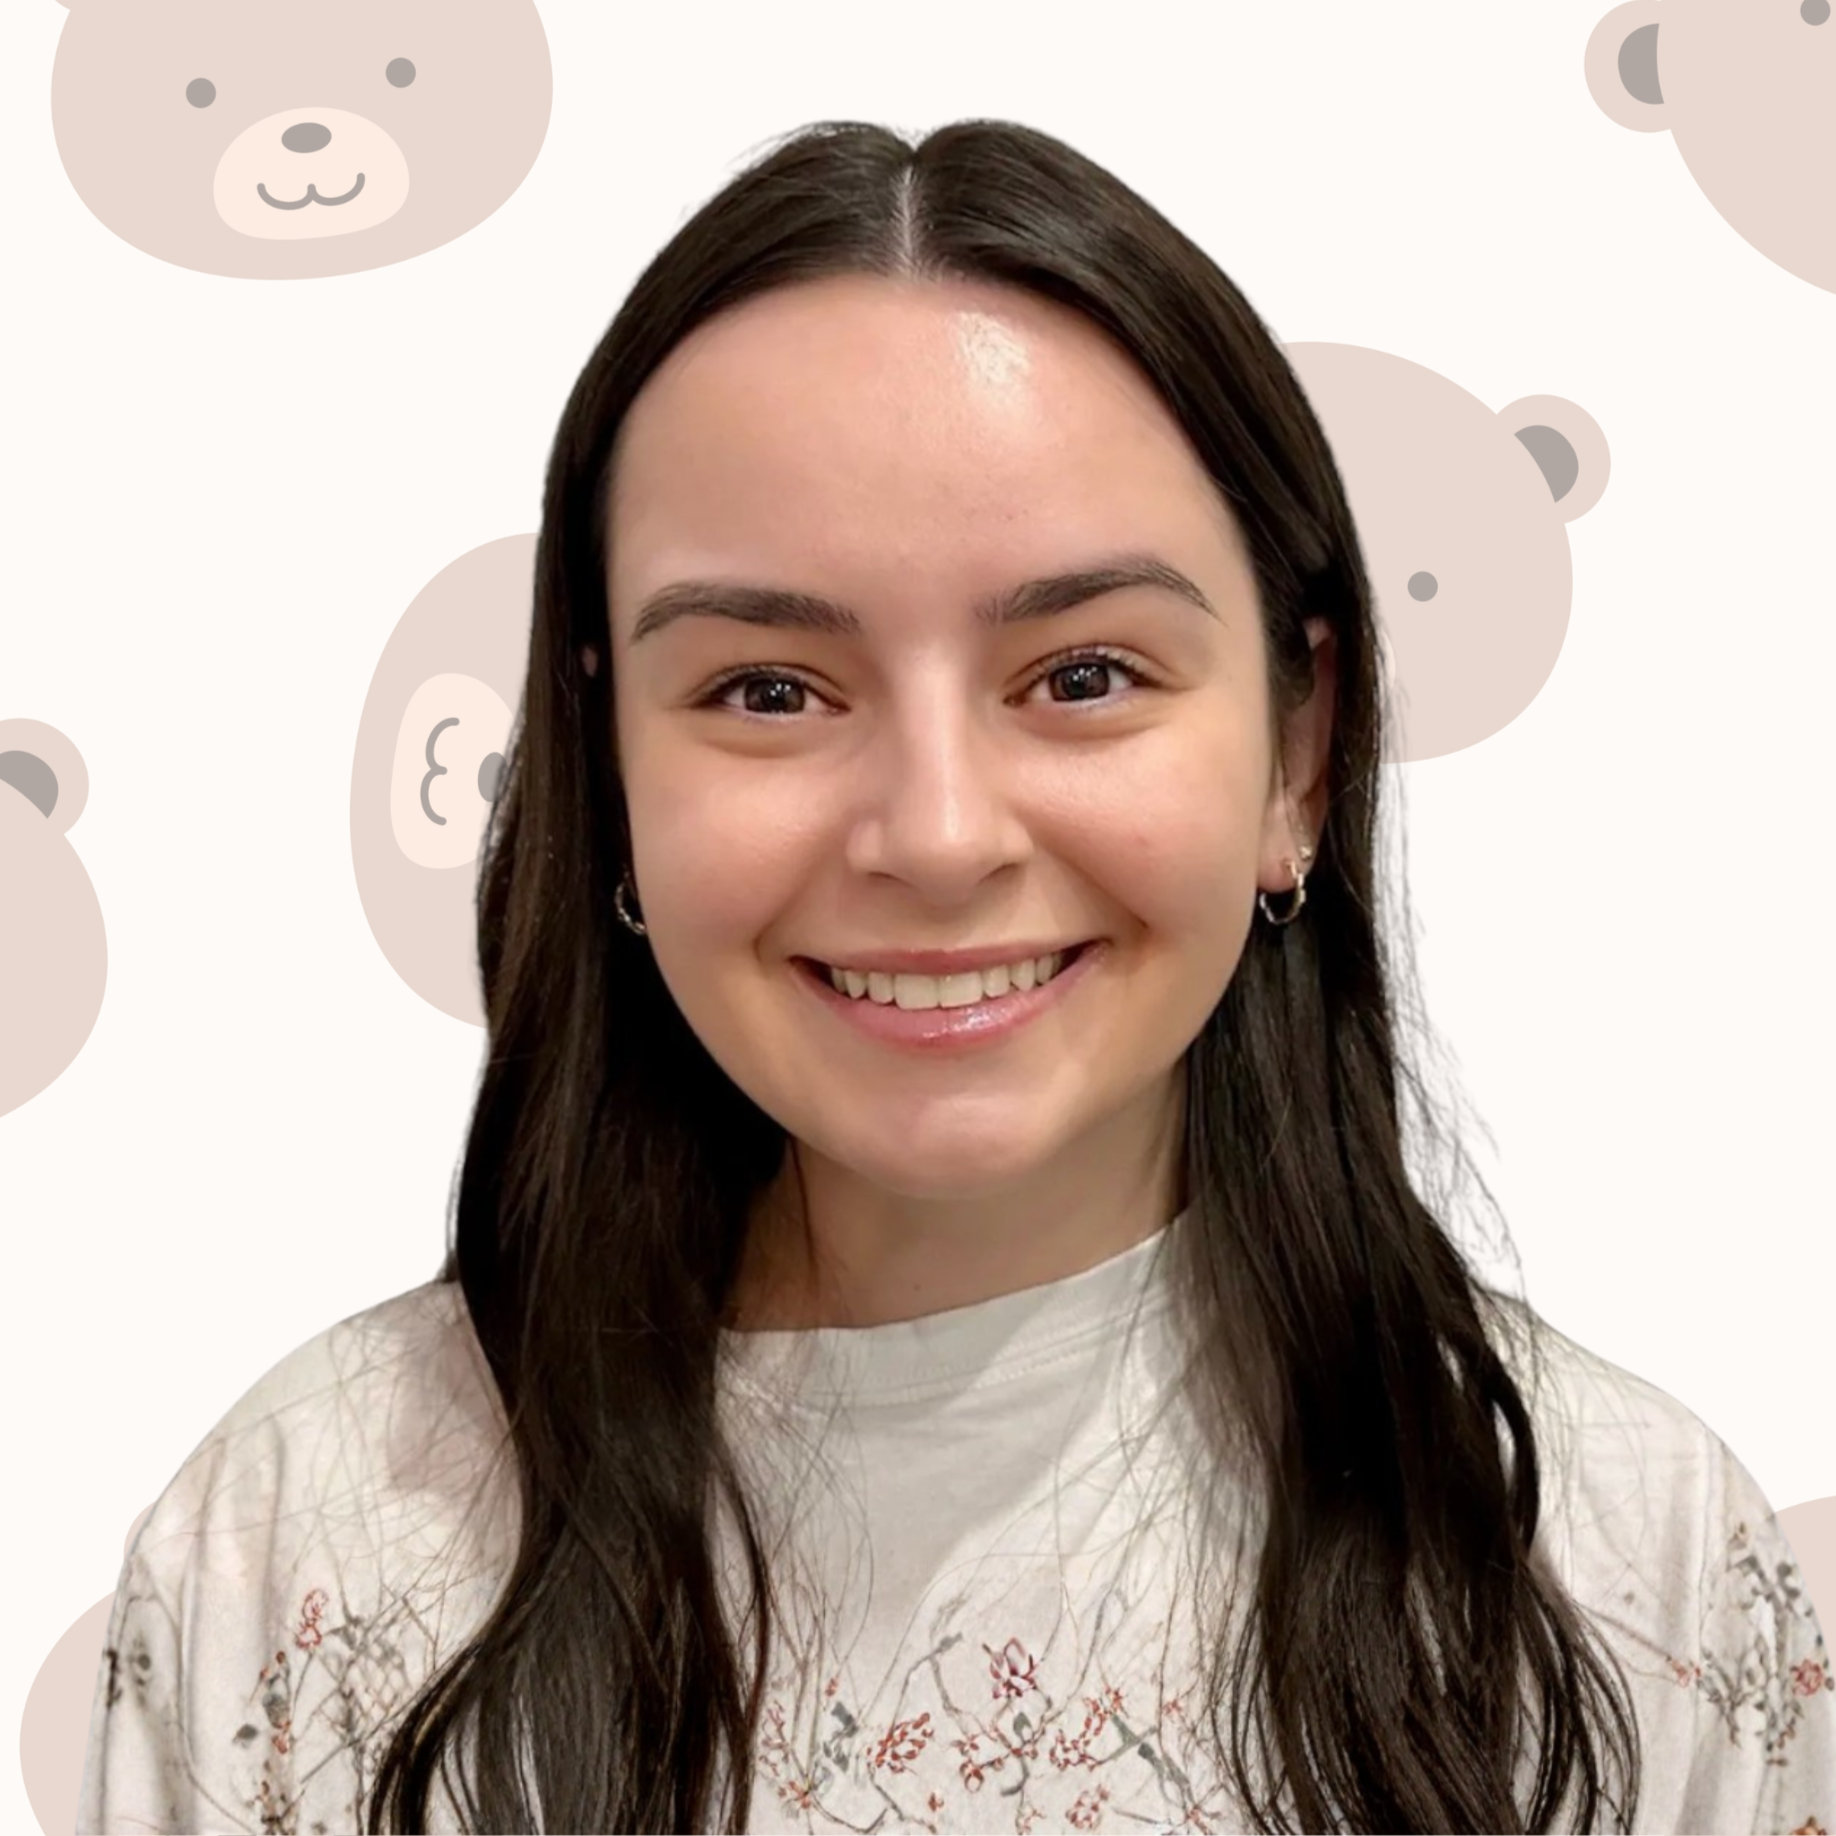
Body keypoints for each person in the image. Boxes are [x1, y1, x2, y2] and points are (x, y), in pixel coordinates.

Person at [78, 116, 1835, 1835]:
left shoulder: (1625, 1571)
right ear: (607, 763)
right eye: (768, 690)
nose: (933, 835)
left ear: (1298, 755)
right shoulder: (303, 1549)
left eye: (1082, 676)